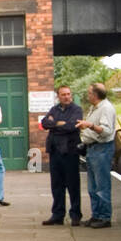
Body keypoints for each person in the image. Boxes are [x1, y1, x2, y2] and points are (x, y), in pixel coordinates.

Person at [39, 85, 83, 225]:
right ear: (58, 96)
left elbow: (71, 126)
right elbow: (45, 123)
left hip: (70, 151)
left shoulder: (77, 110)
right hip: (55, 151)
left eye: (68, 94)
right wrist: (59, 123)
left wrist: (55, 124)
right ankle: (57, 214)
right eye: (63, 94)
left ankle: (75, 215)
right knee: (56, 185)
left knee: (73, 185)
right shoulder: (54, 109)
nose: (66, 96)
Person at [77, 82, 117, 228]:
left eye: (89, 93)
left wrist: (90, 126)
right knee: (93, 187)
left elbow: (106, 130)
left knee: (102, 185)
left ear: (95, 95)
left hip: (102, 149)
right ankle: (96, 215)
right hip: (92, 149)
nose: (87, 95)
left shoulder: (105, 108)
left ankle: (105, 217)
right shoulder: (95, 108)